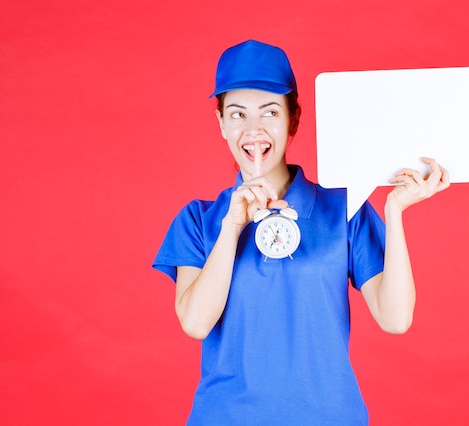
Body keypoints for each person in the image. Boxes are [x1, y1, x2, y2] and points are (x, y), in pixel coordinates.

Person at [153, 39, 449, 425]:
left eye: (270, 112)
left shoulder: (344, 209)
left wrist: (394, 210)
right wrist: (232, 226)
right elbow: (195, 322)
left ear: (293, 119)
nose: (254, 130)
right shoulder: (199, 220)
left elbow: (395, 318)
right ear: (221, 123)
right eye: (238, 114)